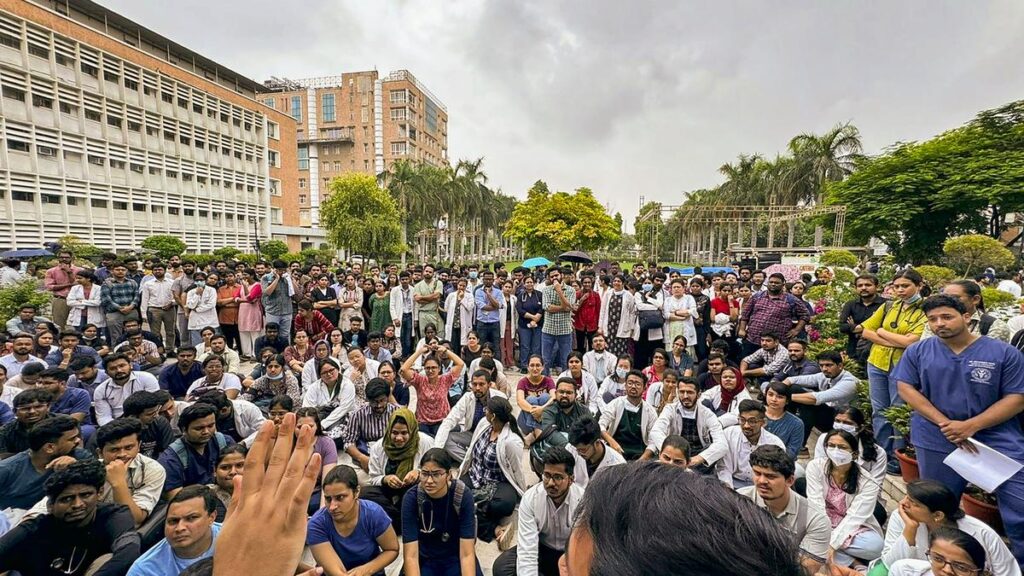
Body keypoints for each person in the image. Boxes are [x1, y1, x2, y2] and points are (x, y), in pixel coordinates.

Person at [894, 294, 1024, 563]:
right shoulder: (919, 351)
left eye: (947, 316)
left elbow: (1017, 397)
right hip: (937, 436)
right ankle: (943, 561)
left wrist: (971, 425)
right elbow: (905, 387)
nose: (939, 323)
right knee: (939, 507)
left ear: (967, 317)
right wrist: (943, 422)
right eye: (932, 319)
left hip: (995, 438)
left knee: (1019, 505)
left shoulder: (1002, 353)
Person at [0, 459, 141, 576]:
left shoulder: (114, 515)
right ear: (50, 505)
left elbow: (129, 551)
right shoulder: (34, 529)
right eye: (67, 499)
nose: (78, 504)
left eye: (86, 495)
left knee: (107, 559)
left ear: (99, 494)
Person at [857, 268, 927, 472]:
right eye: (897, 286)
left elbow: (911, 342)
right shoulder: (889, 306)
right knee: (879, 410)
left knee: (898, 411)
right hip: (877, 362)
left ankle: (898, 456)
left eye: (905, 286)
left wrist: (880, 332)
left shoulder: (925, 309)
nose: (900, 290)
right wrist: (886, 336)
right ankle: (881, 452)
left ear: (919, 286)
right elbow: (865, 330)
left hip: (904, 366)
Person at [879, 479, 1019, 575]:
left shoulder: (982, 533)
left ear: (938, 515)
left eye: (914, 503)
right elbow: (889, 564)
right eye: (906, 497)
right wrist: (910, 529)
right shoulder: (902, 516)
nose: (903, 504)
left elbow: (1008, 572)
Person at [491, 446, 584, 576]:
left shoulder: (582, 502)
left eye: (558, 477)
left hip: (570, 555)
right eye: (547, 475)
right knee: (502, 568)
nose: (551, 483)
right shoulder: (531, 499)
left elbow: (583, 550)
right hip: (542, 550)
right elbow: (528, 551)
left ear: (571, 479)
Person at [738, 445, 832, 573]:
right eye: (757, 473)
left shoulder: (815, 519)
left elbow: (805, 570)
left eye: (770, 476)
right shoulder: (738, 500)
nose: (761, 481)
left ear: (790, 480)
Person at [806, 429, 884, 567]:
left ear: (854, 454)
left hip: (851, 527)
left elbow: (855, 517)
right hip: (821, 519)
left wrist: (831, 545)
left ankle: (823, 552)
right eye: (831, 445)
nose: (835, 450)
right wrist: (823, 534)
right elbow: (816, 504)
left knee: (875, 546)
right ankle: (853, 562)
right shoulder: (815, 467)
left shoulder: (867, 481)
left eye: (842, 447)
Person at [401, 448, 483, 576]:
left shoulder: (462, 495)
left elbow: (466, 554)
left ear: (449, 475)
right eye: (424, 474)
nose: (429, 481)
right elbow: (411, 556)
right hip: (424, 559)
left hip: (455, 557)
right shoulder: (412, 498)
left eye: (436, 474)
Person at [306, 466, 400, 576]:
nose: (332, 506)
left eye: (340, 497)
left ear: (356, 492)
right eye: (328, 499)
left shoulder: (373, 513)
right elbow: (336, 573)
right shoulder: (317, 524)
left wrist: (365, 570)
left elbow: (392, 549)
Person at [458, 396, 527, 542]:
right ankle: (495, 529)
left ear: (493, 415)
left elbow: (517, 471)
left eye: (486, 410)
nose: (485, 412)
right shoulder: (484, 425)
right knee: (454, 493)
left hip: (497, 482)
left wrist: (523, 494)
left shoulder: (511, 442)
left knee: (504, 504)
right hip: (475, 476)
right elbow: (471, 450)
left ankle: (469, 508)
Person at [0, 415, 90, 513]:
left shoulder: (79, 456)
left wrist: (76, 467)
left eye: (77, 437)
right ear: (49, 448)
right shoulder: (6, 469)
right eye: (72, 439)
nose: (78, 441)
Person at [361, 408, 433, 529]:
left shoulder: (426, 443)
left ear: (412, 430)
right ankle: (404, 520)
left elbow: (434, 472)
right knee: (364, 494)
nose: (399, 438)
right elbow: (374, 478)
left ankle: (390, 522)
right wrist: (385, 479)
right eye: (394, 433)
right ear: (389, 430)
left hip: (412, 489)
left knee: (419, 493)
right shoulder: (379, 447)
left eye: (404, 433)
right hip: (388, 491)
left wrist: (419, 473)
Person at [127, 485, 221, 576]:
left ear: (211, 517)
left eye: (191, 518)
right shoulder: (144, 570)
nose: (180, 528)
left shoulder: (234, 538)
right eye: (173, 521)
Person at [648, 376, 727, 475]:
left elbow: (722, 444)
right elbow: (656, 431)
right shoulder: (670, 409)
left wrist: (696, 459)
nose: (685, 396)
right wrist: (668, 452)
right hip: (674, 453)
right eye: (681, 392)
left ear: (698, 395)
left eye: (689, 392)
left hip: (696, 458)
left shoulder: (707, 414)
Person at [158, 403, 235, 499]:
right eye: (199, 428)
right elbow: (175, 499)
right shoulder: (170, 459)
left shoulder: (225, 442)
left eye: (211, 426)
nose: (206, 432)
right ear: (184, 430)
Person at [783, 350, 859, 443]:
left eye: (828, 365)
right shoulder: (825, 375)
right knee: (793, 388)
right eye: (821, 365)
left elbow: (816, 398)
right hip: (829, 415)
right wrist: (780, 389)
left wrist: (783, 398)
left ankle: (800, 445)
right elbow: (792, 379)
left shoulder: (849, 382)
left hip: (843, 422)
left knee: (810, 404)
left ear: (840, 366)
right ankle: (786, 428)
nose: (824, 369)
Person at [436, 370, 508, 461]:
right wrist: (436, 450)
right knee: (446, 439)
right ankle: (471, 461)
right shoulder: (467, 397)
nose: (477, 388)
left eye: (481, 384)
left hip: (493, 437)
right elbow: (450, 420)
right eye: (474, 384)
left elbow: (506, 425)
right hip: (472, 434)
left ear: (489, 385)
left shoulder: (500, 398)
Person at [737, 272, 810, 357]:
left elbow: (805, 315)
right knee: (749, 363)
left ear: (783, 284)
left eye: (776, 283)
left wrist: (796, 330)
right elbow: (745, 314)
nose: (773, 284)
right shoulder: (757, 296)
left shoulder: (791, 299)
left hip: (778, 342)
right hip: (753, 339)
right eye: (771, 282)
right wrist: (742, 329)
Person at [717, 399, 785, 489]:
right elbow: (724, 468)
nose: (746, 426)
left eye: (752, 421)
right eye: (742, 420)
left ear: (763, 423)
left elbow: (776, 475)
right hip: (733, 483)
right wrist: (729, 491)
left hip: (762, 486)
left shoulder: (775, 443)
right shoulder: (729, 434)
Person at [400, 343, 465, 436]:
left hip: (441, 422)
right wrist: (419, 352)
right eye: (427, 368)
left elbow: (460, 364)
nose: (430, 370)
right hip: (423, 423)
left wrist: (446, 351)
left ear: (439, 369)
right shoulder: (419, 380)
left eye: (434, 367)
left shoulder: (445, 379)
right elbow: (404, 369)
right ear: (424, 369)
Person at [922, 279, 1011, 342]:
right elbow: (926, 352)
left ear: (975, 299)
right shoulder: (936, 322)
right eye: (945, 297)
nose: (948, 301)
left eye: (955, 297)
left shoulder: (994, 326)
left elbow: (990, 357)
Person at [343, 379, 399, 473]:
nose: (379, 405)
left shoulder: (397, 413)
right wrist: (362, 458)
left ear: (387, 397)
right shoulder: (358, 414)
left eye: (382, 400)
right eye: (374, 402)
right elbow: (348, 442)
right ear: (368, 400)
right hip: (366, 454)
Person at [599, 369, 657, 460]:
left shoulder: (650, 411)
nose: (633, 386)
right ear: (625, 386)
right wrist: (612, 442)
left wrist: (641, 460)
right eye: (630, 383)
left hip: (639, 455)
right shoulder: (615, 404)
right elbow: (601, 425)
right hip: (615, 452)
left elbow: (653, 441)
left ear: (645, 388)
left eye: (638, 384)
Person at [887, 527, 992, 576]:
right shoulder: (906, 571)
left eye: (961, 567)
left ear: (980, 573)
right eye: (938, 559)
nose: (947, 570)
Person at [94, 353, 160, 424]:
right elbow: (104, 417)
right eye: (113, 368)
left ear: (130, 365)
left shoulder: (147, 378)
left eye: (122, 366)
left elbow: (154, 405)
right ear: (106, 372)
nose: (119, 370)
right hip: (117, 425)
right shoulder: (101, 390)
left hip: (146, 420)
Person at [302, 358, 356, 439]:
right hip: (321, 415)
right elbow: (307, 408)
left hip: (342, 416)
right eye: (324, 372)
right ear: (320, 375)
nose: (329, 374)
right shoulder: (314, 387)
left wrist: (323, 424)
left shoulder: (347, 384)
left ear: (337, 369)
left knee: (334, 434)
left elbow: (343, 408)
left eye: (331, 370)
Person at [839, 274, 886, 365]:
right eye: (860, 285)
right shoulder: (851, 305)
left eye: (868, 285)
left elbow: (885, 328)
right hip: (854, 350)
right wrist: (870, 330)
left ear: (877, 287)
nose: (863, 288)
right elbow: (842, 327)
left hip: (877, 351)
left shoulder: (885, 305)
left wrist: (855, 328)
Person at [566, 415, 625, 487]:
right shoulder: (571, 448)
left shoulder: (617, 464)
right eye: (577, 449)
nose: (578, 453)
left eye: (583, 450)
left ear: (597, 443)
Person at [539, 267, 576, 374]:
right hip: (548, 330)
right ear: (549, 278)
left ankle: (566, 380)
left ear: (561, 275)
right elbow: (547, 307)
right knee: (545, 359)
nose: (554, 278)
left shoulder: (570, 290)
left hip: (565, 330)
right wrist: (564, 307)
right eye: (552, 276)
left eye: (556, 275)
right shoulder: (546, 290)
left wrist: (559, 291)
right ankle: (546, 381)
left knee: (566, 359)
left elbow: (569, 308)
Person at [0, 387, 51, 457]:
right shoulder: (5, 432)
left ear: (48, 407)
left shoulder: (63, 424)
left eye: (38, 407)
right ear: (15, 412)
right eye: (25, 408)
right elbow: (2, 457)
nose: (32, 412)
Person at [762, 381, 805, 461]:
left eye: (780, 397)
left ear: (787, 401)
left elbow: (792, 451)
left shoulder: (796, 423)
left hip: (780, 463)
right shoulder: (756, 414)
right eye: (770, 395)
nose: (774, 399)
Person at [597, 274, 636, 358]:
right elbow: (602, 311)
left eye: (619, 281)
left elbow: (632, 312)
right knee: (608, 350)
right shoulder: (608, 293)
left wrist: (631, 327)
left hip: (622, 327)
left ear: (623, 283)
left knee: (621, 350)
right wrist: (600, 327)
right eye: (615, 281)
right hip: (609, 327)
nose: (616, 283)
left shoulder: (628, 295)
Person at [208, 444, 245, 521]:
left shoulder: (265, 494)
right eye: (225, 467)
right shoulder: (205, 496)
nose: (233, 472)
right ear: (214, 471)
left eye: (240, 465)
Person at [261, 260, 295, 343]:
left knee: (285, 334)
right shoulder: (266, 277)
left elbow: (295, 293)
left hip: (287, 311)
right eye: (279, 270)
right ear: (274, 269)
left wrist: (291, 280)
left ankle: (285, 352)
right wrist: (276, 279)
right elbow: (267, 292)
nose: (282, 272)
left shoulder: (287, 278)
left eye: (284, 270)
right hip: (273, 311)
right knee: (271, 334)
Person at [390, 271, 417, 360]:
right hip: (399, 316)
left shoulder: (413, 289)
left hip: (409, 315)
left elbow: (416, 305)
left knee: (408, 337)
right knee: (399, 336)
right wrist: (395, 318)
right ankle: (400, 354)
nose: (404, 281)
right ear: (400, 280)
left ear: (409, 279)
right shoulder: (395, 290)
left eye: (406, 279)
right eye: (402, 279)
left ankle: (406, 356)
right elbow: (392, 305)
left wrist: (415, 319)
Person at [414, 265, 443, 340]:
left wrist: (422, 297)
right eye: (426, 271)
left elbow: (436, 295)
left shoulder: (438, 283)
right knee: (424, 336)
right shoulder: (417, 285)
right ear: (423, 272)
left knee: (437, 335)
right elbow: (418, 300)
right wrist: (432, 298)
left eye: (430, 272)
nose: (428, 273)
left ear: (433, 274)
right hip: (423, 314)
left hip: (434, 313)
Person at [444, 277, 475, 349]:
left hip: (464, 324)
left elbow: (470, 307)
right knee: (452, 344)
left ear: (466, 286)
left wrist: (462, 299)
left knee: (462, 345)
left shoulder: (469, 296)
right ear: (457, 285)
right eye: (460, 285)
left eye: (463, 286)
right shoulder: (451, 295)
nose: (461, 287)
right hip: (453, 324)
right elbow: (446, 307)